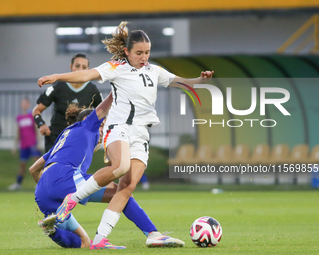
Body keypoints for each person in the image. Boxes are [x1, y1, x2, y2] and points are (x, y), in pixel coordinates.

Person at [38, 21, 213, 248]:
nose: (144, 57)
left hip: (141, 134)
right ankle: (72, 199)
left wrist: (200, 80)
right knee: (120, 168)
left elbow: (181, 82)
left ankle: (102, 239)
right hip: (119, 127)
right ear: (127, 52)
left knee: (127, 187)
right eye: (139, 52)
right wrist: (57, 76)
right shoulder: (116, 67)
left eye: (147, 52)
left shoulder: (154, 71)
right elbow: (86, 76)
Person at [30, 94, 178, 249]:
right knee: (122, 193)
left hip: (42, 190)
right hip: (64, 177)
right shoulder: (87, 125)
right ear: (90, 120)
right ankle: (153, 233)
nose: (103, 129)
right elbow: (108, 103)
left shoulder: (65, 137)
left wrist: (49, 189)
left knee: (84, 243)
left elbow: (33, 169)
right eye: (102, 125)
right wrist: (121, 86)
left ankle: (51, 230)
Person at [32, 53, 102, 152]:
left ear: (88, 70)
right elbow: (37, 110)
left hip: (79, 139)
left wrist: (99, 128)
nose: (80, 69)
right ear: (71, 67)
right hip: (56, 137)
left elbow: (104, 112)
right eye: (77, 66)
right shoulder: (59, 86)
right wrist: (41, 124)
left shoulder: (93, 90)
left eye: (84, 67)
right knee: (51, 167)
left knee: (73, 167)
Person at [8, 98, 41, 191]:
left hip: (33, 143)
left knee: (37, 164)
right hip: (23, 144)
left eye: (26, 103)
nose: (24, 105)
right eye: (23, 103)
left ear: (28, 104)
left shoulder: (31, 116)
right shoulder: (19, 117)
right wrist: (15, 146)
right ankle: (18, 183)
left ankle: (40, 183)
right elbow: (18, 132)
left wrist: (38, 142)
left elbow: (36, 129)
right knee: (22, 164)